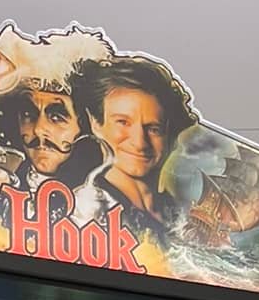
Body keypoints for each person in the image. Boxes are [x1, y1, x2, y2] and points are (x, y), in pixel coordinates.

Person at [69, 54, 194, 245]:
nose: (139, 142)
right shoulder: (85, 211)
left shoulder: (182, 212)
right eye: (123, 122)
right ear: (95, 123)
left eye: (153, 128)